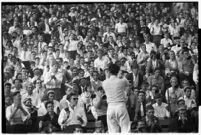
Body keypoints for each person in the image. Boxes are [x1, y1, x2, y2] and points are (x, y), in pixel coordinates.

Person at [102, 63, 130, 133]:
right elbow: (127, 83)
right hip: (120, 106)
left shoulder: (104, 82)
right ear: (117, 71)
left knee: (113, 132)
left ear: (109, 71)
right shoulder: (122, 81)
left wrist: (108, 74)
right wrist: (121, 74)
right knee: (125, 130)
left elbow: (108, 80)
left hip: (110, 108)